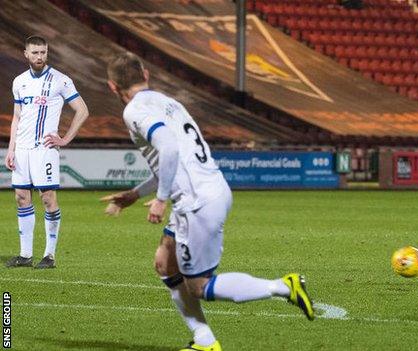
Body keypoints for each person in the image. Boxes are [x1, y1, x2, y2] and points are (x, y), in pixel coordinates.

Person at [101, 52, 314, 351]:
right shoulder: (169, 102)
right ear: (146, 74)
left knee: (199, 286)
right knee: (165, 261)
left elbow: (170, 148)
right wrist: (137, 194)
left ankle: (282, 287)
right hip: (208, 189)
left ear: (112, 87)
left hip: (196, 201)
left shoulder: (134, 110)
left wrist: (161, 199)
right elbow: (172, 159)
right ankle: (204, 341)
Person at [4, 35, 89, 269]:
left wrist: (65, 138)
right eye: (35, 53)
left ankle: (49, 255)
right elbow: (17, 117)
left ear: (47, 52)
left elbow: (82, 110)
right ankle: (25, 254)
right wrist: (11, 149)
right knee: (22, 198)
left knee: (48, 198)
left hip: (44, 149)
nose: (40, 56)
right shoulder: (19, 82)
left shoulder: (60, 81)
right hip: (22, 150)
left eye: (43, 52)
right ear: (26, 54)